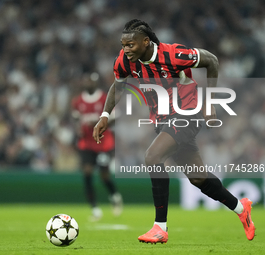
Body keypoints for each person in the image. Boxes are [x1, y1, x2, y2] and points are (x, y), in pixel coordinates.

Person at [93, 19, 255, 243]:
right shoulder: (125, 61)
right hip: (162, 120)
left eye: (130, 45)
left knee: (152, 156)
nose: (125, 50)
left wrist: (209, 101)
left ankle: (160, 227)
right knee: (198, 178)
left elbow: (212, 60)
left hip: (188, 113)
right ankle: (241, 208)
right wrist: (104, 116)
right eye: (123, 45)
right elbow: (118, 86)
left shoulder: (173, 54)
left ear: (146, 42)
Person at [72, 72, 123, 221]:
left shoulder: (104, 98)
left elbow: (114, 118)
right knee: (87, 172)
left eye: (91, 81)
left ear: (96, 83)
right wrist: (78, 128)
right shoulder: (78, 101)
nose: (88, 84)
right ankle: (95, 208)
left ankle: (114, 195)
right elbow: (76, 118)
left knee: (104, 175)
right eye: (86, 81)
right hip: (86, 143)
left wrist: (100, 124)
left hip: (103, 143)